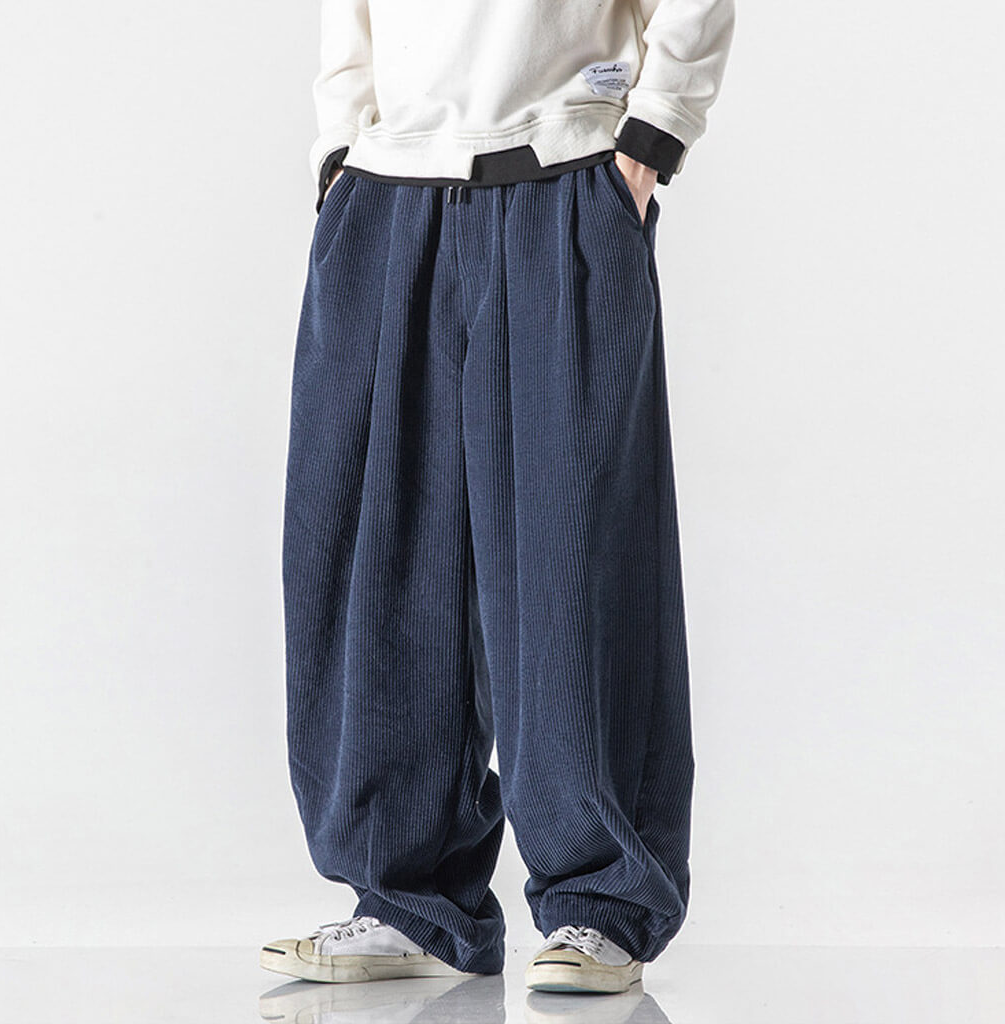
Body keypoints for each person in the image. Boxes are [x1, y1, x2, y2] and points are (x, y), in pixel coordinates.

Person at [261, 0, 734, 996]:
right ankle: (407, 902)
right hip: (385, 192)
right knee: (376, 550)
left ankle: (604, 902)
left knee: (574, 550)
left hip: (563, 177)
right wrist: (339, 150)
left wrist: (652, 134)